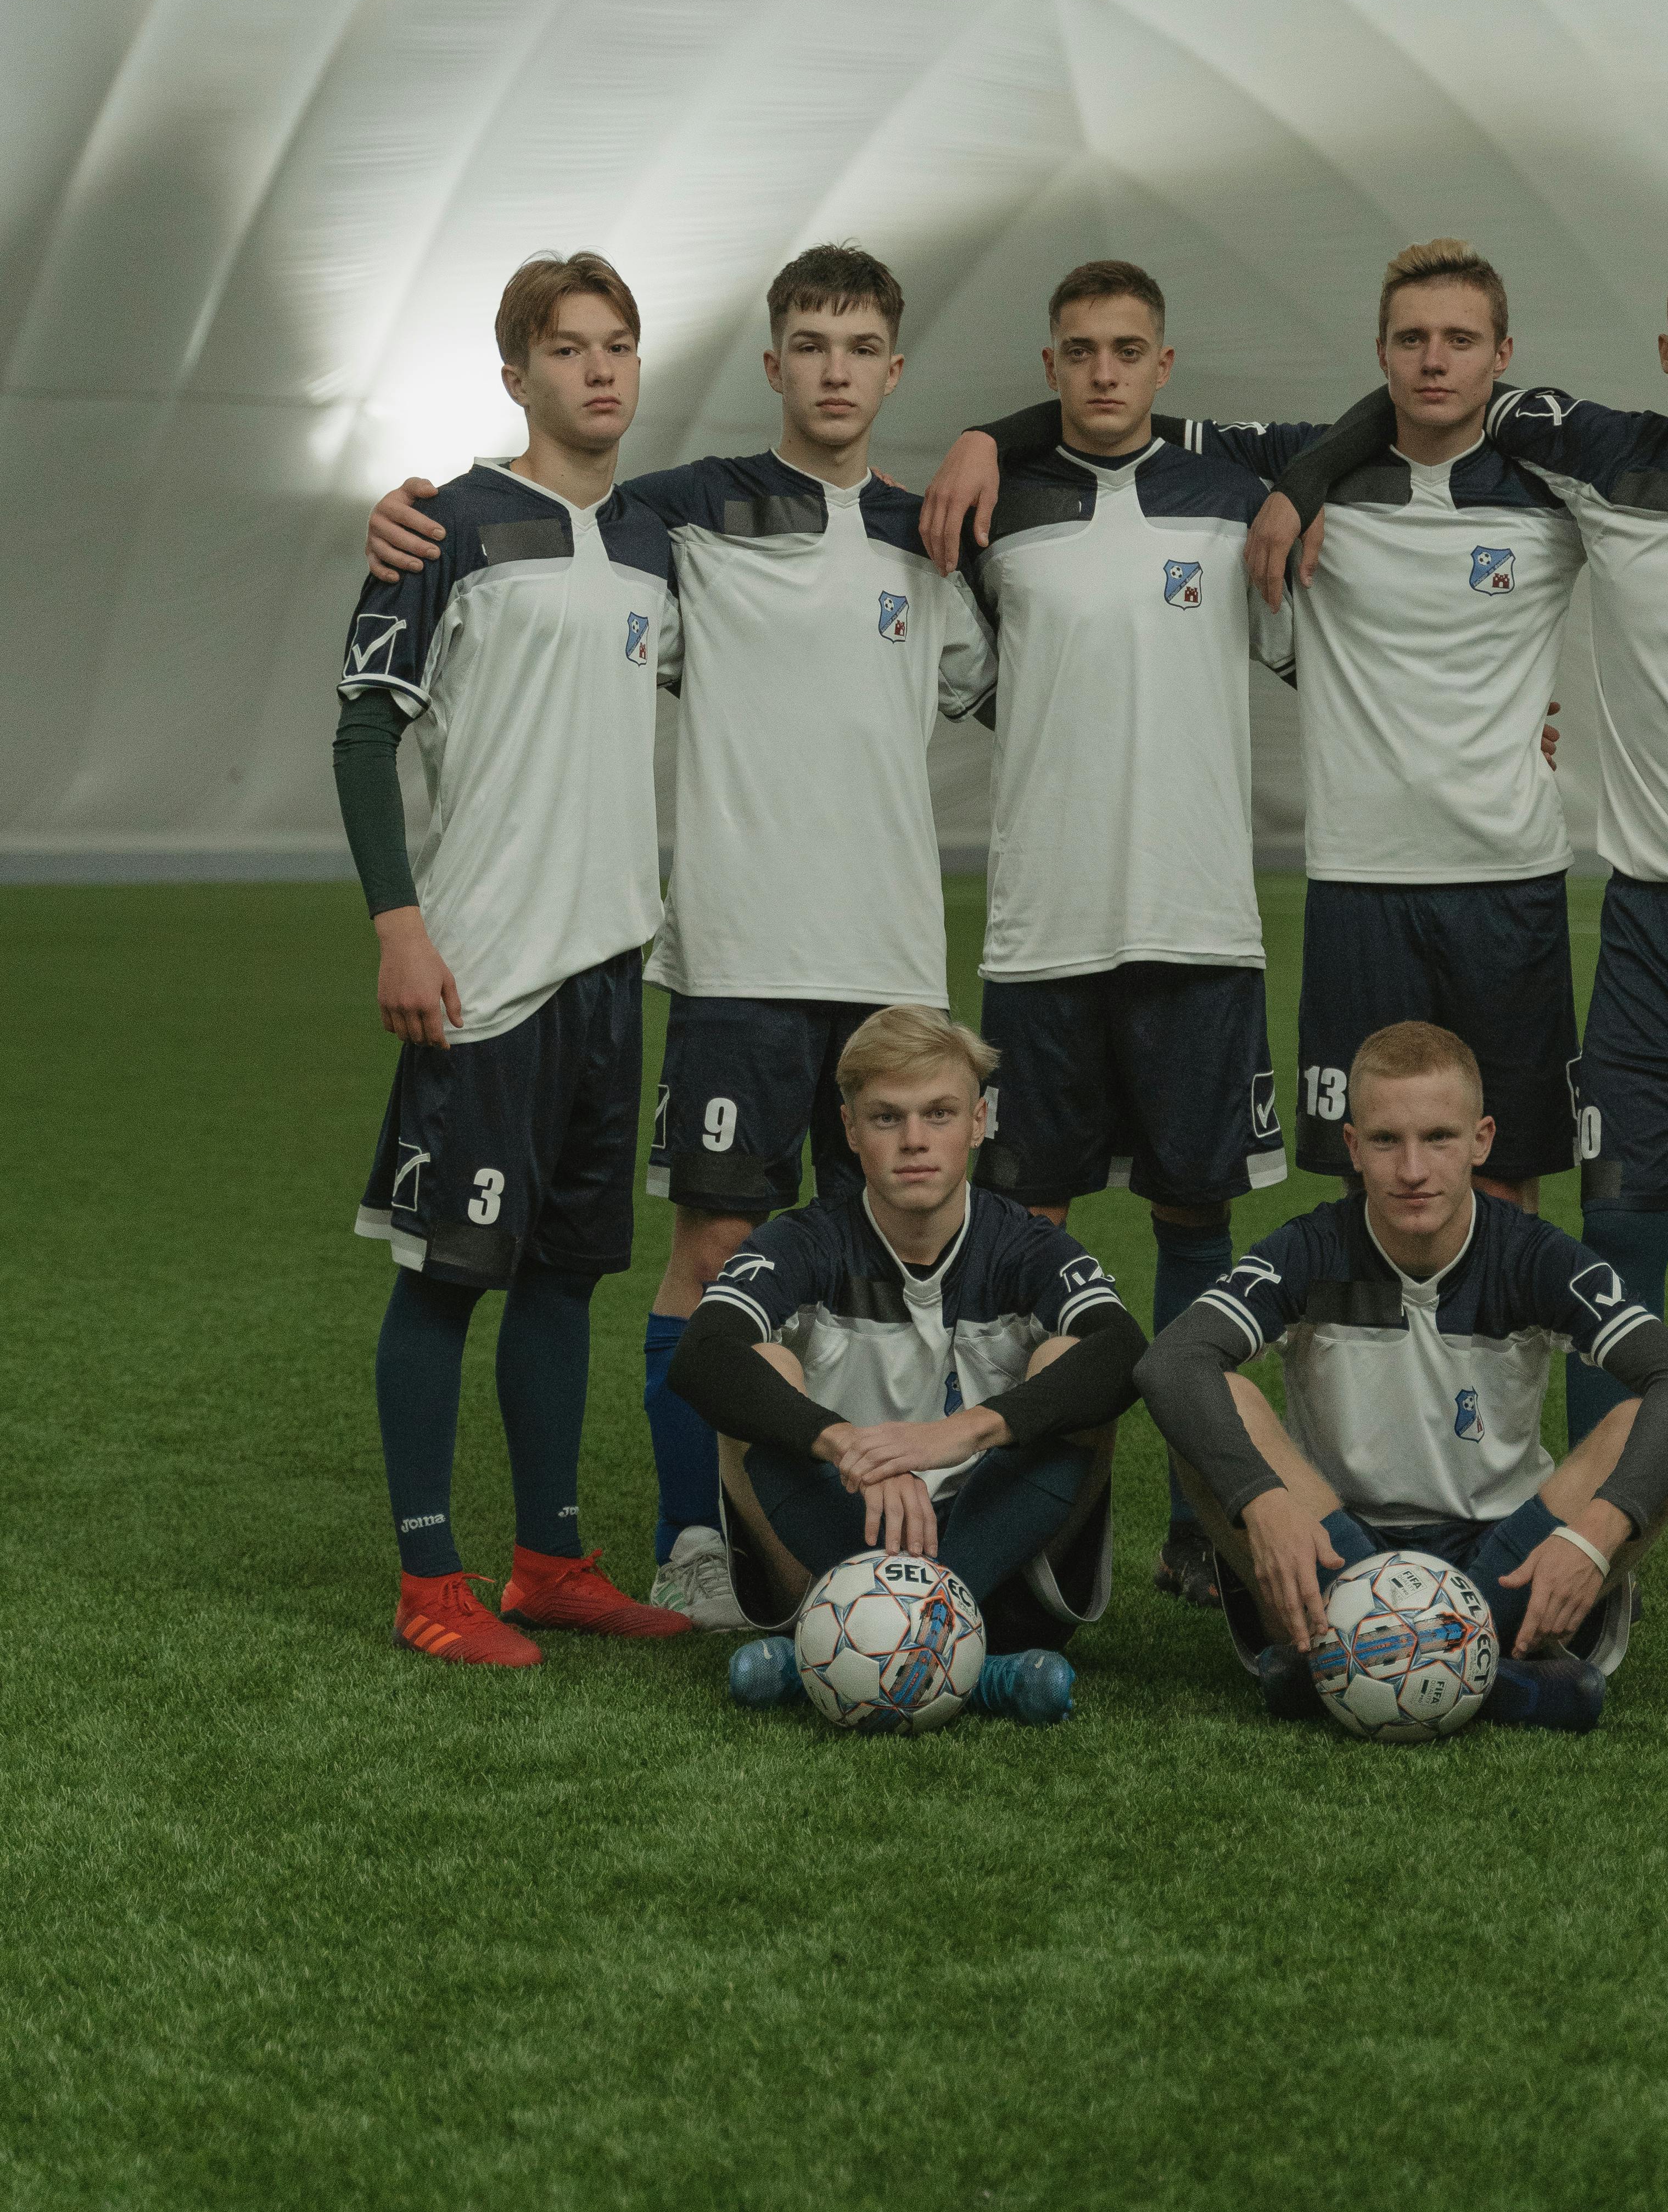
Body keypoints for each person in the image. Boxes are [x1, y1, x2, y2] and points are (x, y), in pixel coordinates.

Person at [1252, 239, 1668, 1634]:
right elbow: (1412, 400)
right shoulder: (1591, 453)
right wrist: (1305, 481)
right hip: (1645, 920)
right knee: (1609, 1252)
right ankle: (1587, 1541)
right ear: (1662, 342)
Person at [922, 237, 1668, 1230]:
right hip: (1357, 883)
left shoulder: (1554, 485)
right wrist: (986, 437)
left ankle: (1495, 1377)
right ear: (1379, 353)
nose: (1433, 360)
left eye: (1459, 339)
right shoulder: (1284, 466)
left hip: (1511, 880)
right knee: (1362, 1176)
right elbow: (1113, 416)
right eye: (1410, 339)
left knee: (1505, 1172)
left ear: (1503, 357)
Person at [361, 245, 997, 1631]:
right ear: (773, 366)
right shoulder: (678, 517)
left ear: (893, 368)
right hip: (726, 960)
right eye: (810, 346)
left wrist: (985, 454)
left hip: (891, 968)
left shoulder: (932, 540)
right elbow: (527, 505)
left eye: (862, 347)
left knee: (882, 1270)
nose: (835, 371)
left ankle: (862, 1536)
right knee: (714, 1253)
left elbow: (1003, 681)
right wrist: (404, 508)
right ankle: (688, 1541)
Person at [913, 260, 1291, 1614]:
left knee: (1197, 1223)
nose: (1104, 372)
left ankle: (1205, 1514)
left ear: (1165, 362)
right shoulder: (994, 511)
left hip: (1196, 921)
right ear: (1050, 363)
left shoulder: (1238, 494)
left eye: (1128, 349)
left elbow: (1357, 444)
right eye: (1078, 352)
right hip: (1043, 932)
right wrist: (982, 440)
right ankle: (1044, 1514)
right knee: (1026, 1239)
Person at [335, 250, 693, 1666]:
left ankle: (550, 1559)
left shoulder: (662, 541)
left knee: (564, 1278)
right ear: (516, 373)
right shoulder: (447, 526)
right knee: (443, 1276)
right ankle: (432, 1584)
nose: (598, 370)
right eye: (567, 348)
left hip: (613, 963)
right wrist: (398, 924)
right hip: (483, 969)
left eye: (618, 345)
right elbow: (366, 727)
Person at [1135, 1020, 1668, 1732]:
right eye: (1385, 1140)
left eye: (1439, 1138)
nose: (1412, 1170)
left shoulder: (1534, 1258)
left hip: (1499, 1550)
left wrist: (1594, 1534)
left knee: (1646, 1428)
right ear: (1352, 1146)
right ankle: (1502, 1682)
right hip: (1341, 1545)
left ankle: (1341, 1670)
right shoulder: (1308, 1248)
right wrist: (1261, 1500)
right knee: (1212, 1401)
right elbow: (1169, 1363)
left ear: (1480, 1140)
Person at [663, 1007, 1145, 1723]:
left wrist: (964, 1432)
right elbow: (700, 1356)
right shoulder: (804, 1241)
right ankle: (967, 1669)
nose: (915, 1141)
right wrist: (843, 1440)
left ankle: (848, 1657)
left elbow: (1122, 1350)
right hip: (841, 1532)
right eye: (886, 1117)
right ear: (850, 1128)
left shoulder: (1024, 1245)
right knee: (757, 1364)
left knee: (1070, 1361)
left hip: (998, 1549)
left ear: (978, 1121)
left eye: (939, 1113)